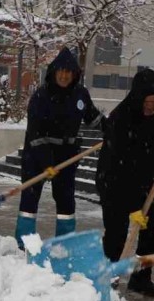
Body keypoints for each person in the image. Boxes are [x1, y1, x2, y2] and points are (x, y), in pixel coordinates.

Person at [94, 68, 154, 298]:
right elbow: (123, 168)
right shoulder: (121, 119)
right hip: (115, 181)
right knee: (117, 233)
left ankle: (140, 279)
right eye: (148, 102)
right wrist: (134, 206)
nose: (152, 106)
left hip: (146, 180)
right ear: (138, 98)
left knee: (153, 231)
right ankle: (109, 279)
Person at [13, 47, 103, 248]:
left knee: (66, 201)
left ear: (74, 74)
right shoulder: (41, 96)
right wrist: (46, 163)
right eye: (61, 71)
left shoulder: (80, 95)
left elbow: (93, 118)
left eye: (68, 71)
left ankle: (64, 242)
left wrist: (112, 130)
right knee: (30, 198)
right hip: (37, 155)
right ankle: (25, 242)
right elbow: (36, 133)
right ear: (54, 72)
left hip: (67, 156)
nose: (64, 75)